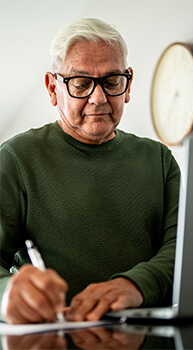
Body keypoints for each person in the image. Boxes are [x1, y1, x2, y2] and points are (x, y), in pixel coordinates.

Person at [0, 18, 180, 324]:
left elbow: (183, 250)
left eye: (111, 82)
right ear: (52, 87)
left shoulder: (160, 160)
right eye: (81, 83)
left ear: (128, 84)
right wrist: (7, 294)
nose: (98, 98)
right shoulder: (16, 159)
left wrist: (135, 285)